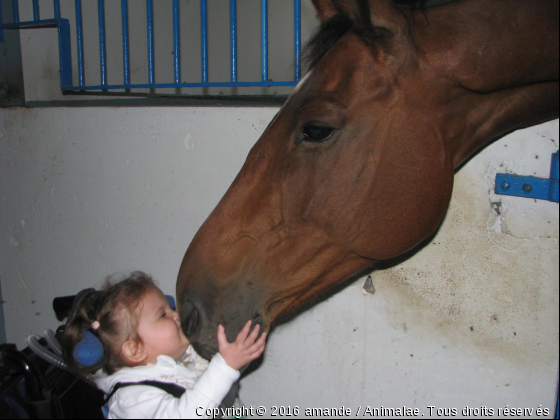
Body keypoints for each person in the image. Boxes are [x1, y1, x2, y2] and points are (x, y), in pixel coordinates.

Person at [62, 271, 266, 419]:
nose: (176, 315)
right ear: (135, 349)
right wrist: (225, 367)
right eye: (163, 314)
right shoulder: (131, 400)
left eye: (170, 308)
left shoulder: (180, 356)